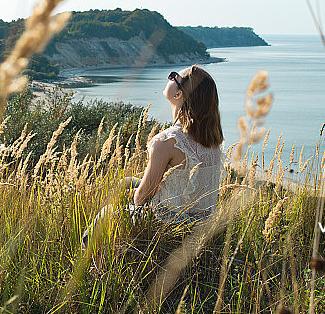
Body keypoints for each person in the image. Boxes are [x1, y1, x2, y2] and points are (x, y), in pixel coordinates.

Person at [82, 64, 224, 248]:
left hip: (168, 224)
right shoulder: (213, 139)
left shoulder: (166, 141)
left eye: (174, 77)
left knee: (105, 213)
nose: (169, 78)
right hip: (203, 223)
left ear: (178, 94)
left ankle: (90, 260)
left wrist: (133, 196)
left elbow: (142, 198)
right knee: (125, 182)